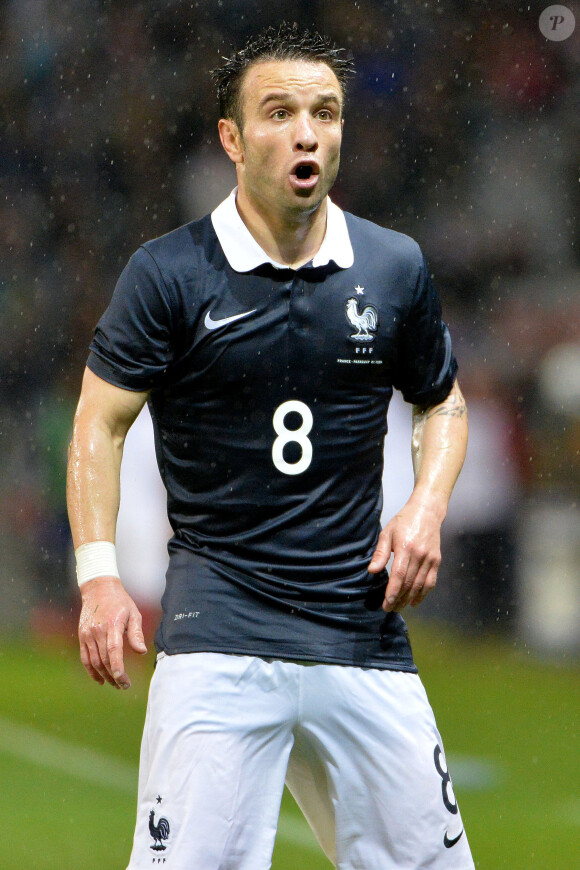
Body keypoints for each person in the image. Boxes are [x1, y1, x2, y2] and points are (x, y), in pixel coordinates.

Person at [67, 23, 473, 870]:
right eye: (279, 112)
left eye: (324, 114)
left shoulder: (393, 267)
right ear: (231, 138)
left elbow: (445, 404)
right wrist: (99, 577)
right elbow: (98, 425)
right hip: (217, 634)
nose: (306, 133)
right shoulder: (171, 273)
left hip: (359, 630)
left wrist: (426, 508)